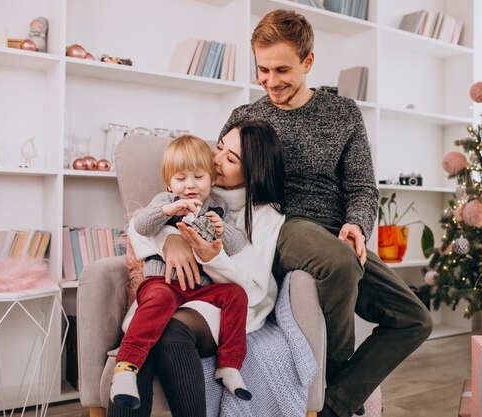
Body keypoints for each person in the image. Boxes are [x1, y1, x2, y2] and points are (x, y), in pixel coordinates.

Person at [218, 9, 434, 417]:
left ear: (309, 62)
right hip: (282, 225)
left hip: (336, 230)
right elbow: (220, 172)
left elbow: (363, 187)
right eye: (262, 69)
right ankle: (335, 369)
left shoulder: (344, 113)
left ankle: (333, 403)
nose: (270, 81)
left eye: (282, 69)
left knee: (415, 319)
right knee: (338, 262)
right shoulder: (246, 120)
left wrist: (357, 224)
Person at [106, 119, 286, 417]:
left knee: (165, 330)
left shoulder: (263, 216)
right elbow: (140, 226)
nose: (215, 160)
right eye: (219, 147)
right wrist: (169, 243)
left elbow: (246, 284)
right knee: (150, 328)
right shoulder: (190, 192)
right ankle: (126, 372)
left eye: (230, 158)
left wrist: (209, 254)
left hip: (219, 300)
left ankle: (228, 366)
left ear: (253, 171)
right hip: (169, 289)